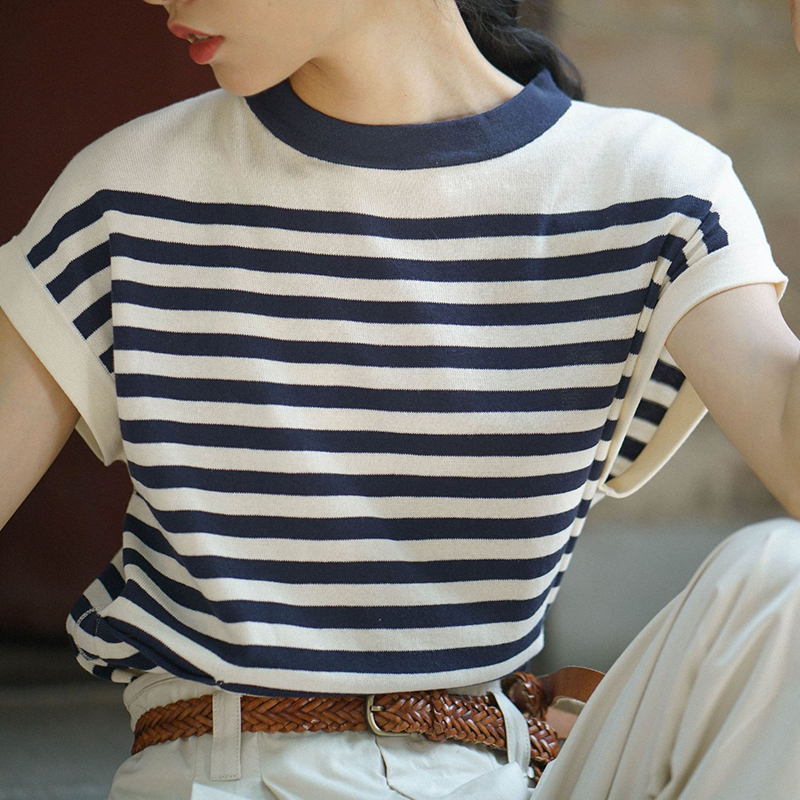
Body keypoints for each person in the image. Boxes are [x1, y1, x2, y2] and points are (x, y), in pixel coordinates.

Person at [1, 0, 799, 797]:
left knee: (782, 580)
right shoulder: (133, 186)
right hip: (237, 772)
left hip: (509, 773)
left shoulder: (655, 188)